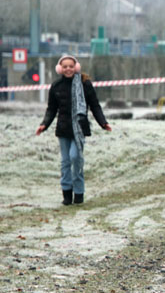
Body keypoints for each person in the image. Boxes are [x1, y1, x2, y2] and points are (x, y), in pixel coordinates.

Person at [36, 55, 111, 205]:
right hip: (63, 129)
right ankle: (67, 195)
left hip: (79, 129)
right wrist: (44, 124)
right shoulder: (56, 87)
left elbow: (95, 105)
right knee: (65, 162)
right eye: (65, 67)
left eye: (71, 66)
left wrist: (103, 123)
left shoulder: (85, 84)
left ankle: (79, 193)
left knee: (75, 158)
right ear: (60, 69)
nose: (68, 69)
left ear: (76, 67)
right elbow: (51, 109)